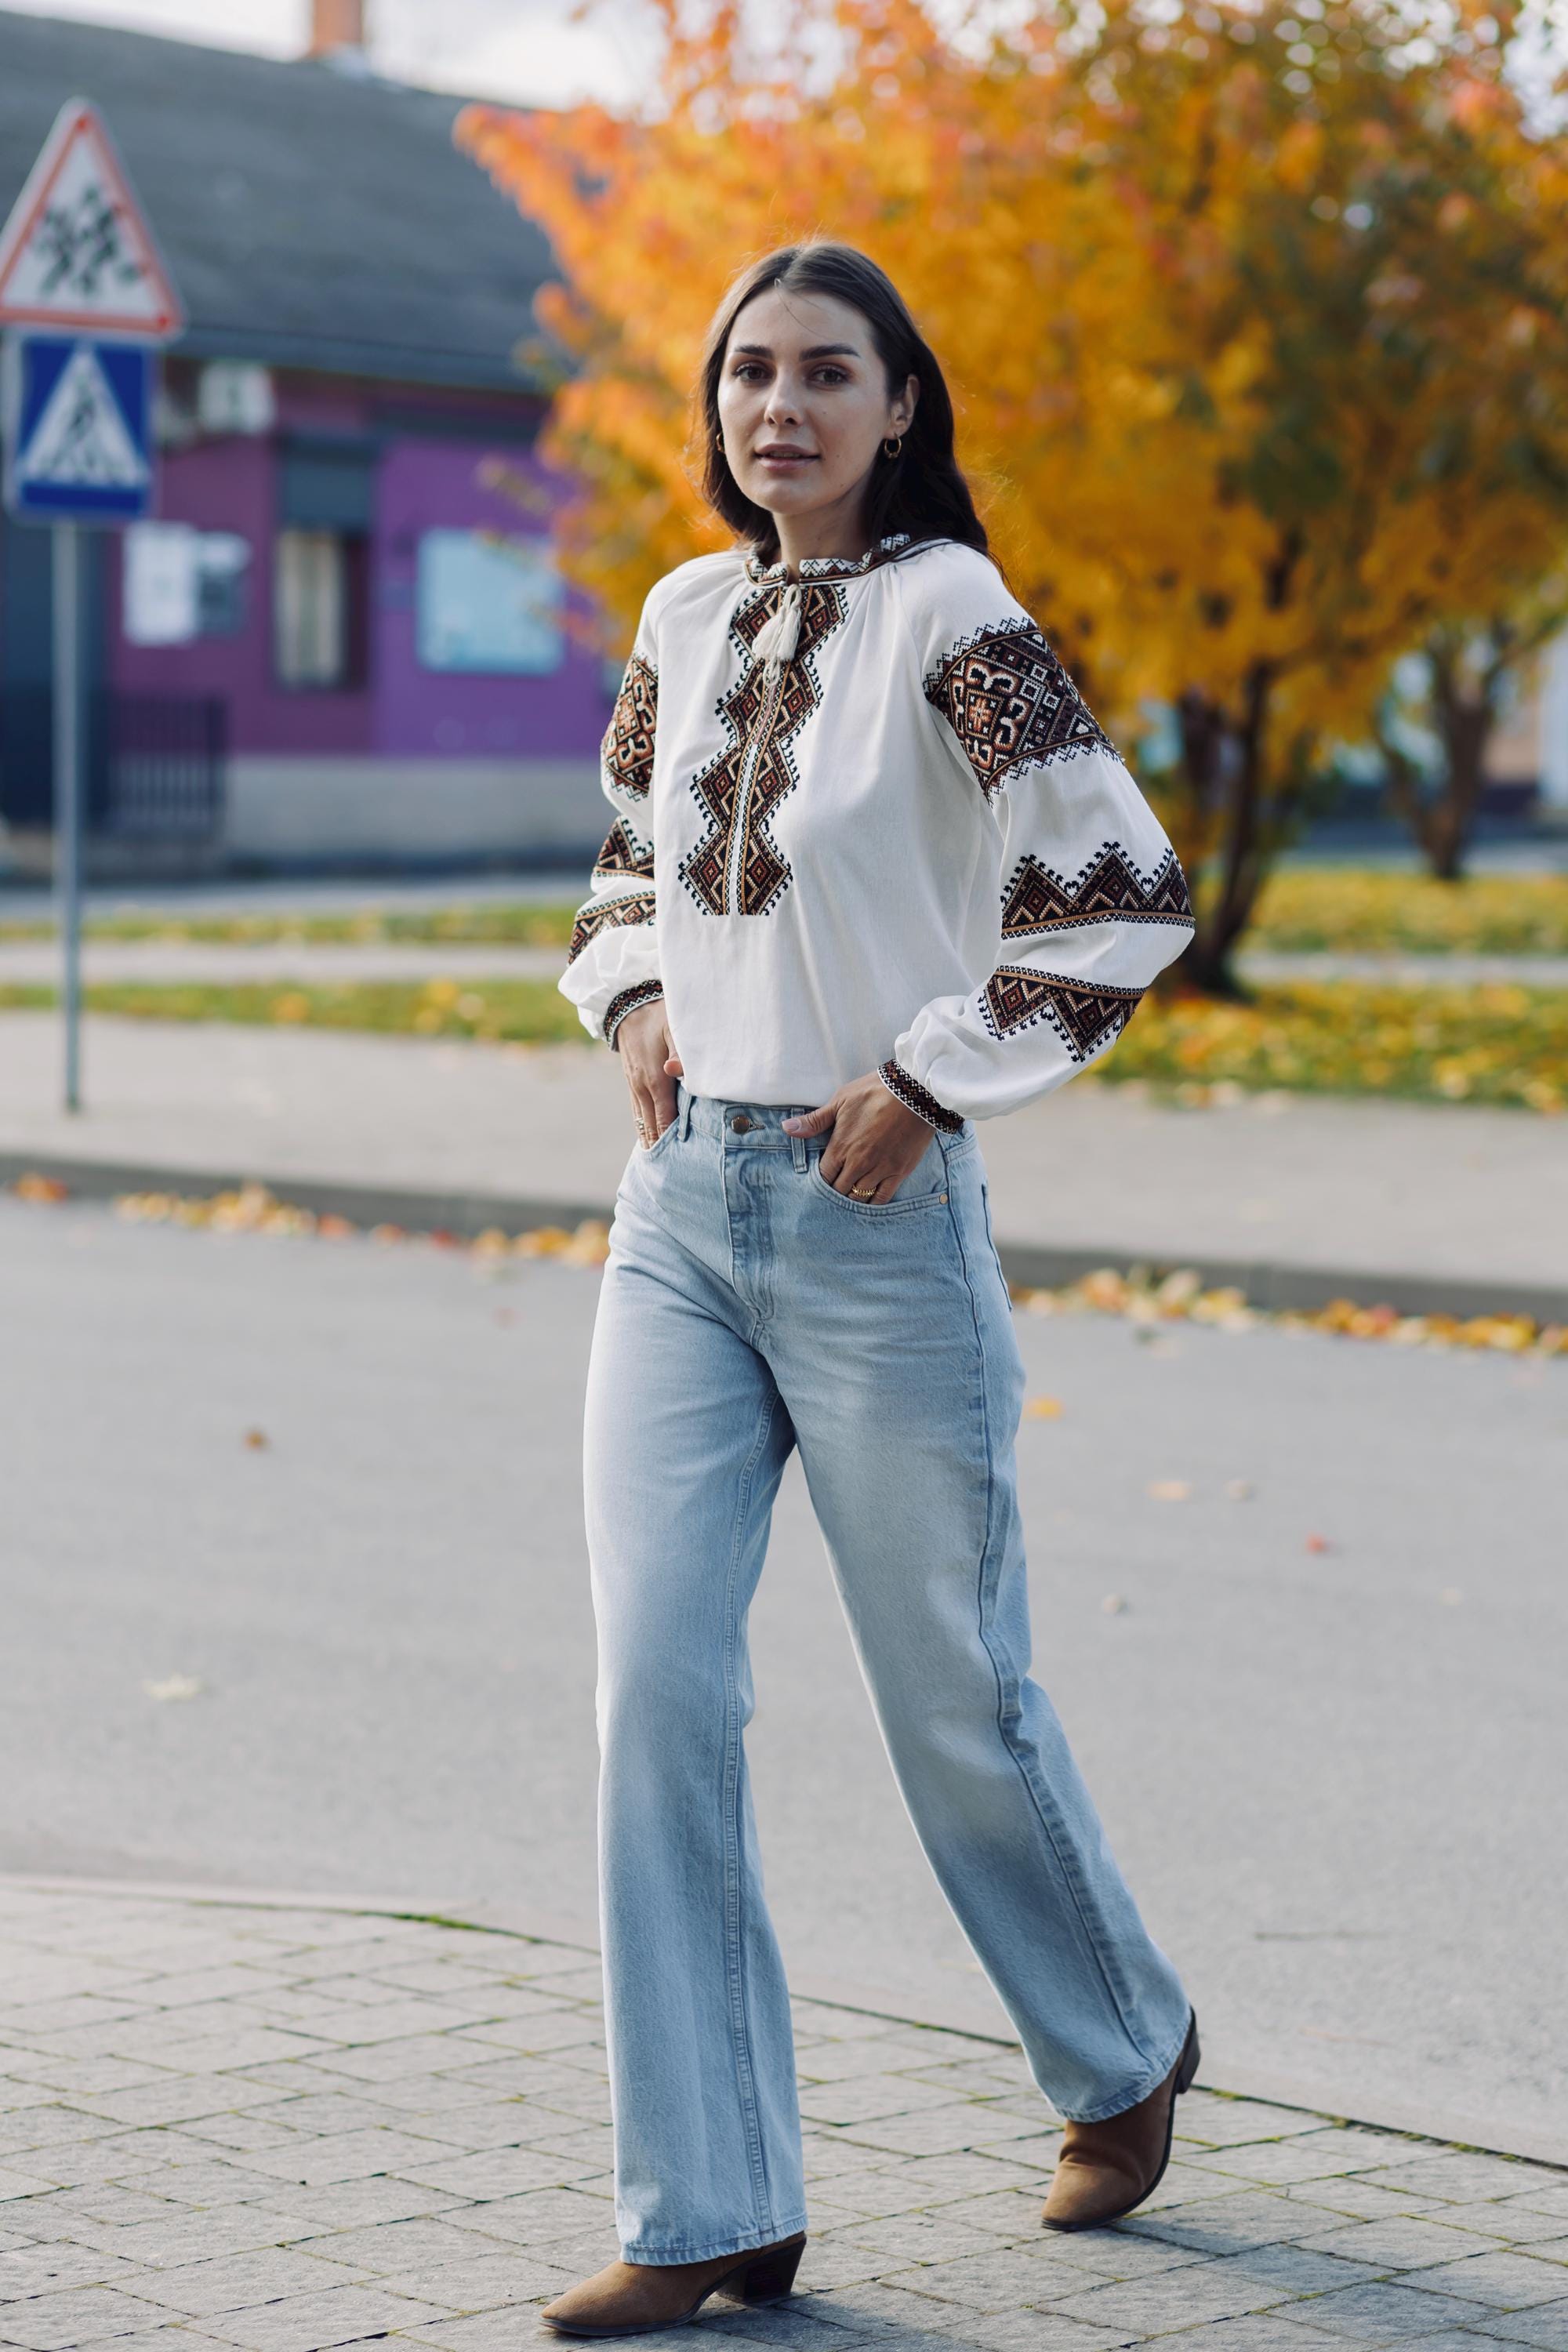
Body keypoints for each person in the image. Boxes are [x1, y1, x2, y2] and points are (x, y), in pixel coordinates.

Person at [543, 241, 1201, 2340]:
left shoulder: (957, 617)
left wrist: (933, 1075)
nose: (784, 408)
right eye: (753, 373)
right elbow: (629, 852)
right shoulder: (682, 608)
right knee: (659, 1683)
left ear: (898, 404)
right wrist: (636, 993)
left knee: (952, 1699)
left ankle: (1120, 2050)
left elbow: (1116, 889)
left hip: (872, 1219)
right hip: (681, 1216)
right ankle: (714, 2200)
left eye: (831, 373)